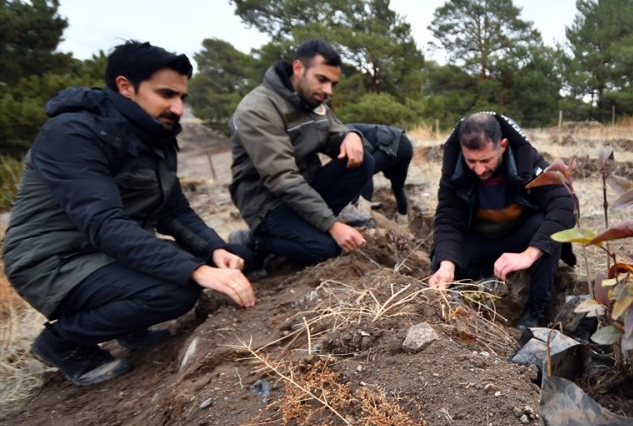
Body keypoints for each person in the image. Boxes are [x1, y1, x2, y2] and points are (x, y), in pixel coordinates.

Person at [3, 41, 256, 387]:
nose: (178, 108)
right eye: (167, 94)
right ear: (125, 87)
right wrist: (194, 270)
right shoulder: (72, 133)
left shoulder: (155, 136)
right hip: (54, 260)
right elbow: (103, 224)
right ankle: (63, 341)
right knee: (175, 291)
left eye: (182, 97)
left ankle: (129, 325)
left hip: (106, 252)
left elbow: (174, 209)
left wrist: (214, 250)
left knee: (224, 257)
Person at [228, 39, 377, 266]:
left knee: (363, 161)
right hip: (267, 202)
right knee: (325, 249)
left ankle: (308, 225)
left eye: (333, 84)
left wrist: (352, 135)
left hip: (304, 186)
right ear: (298, 69)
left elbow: (337, 133)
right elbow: (282, 178)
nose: (328, 91)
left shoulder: (311, 99)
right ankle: (256, 239)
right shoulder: (258, 109)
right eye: (322, 79)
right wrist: (332, 225)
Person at [428, 112, 576, 328]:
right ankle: (452, 316)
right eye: (471, 161)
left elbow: (564, 205)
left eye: (486, 160)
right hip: (479, 241)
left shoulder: (528, 162)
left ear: (503, 146)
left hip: (519, 239)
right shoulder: (454, 172)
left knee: (545, 230)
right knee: (441, 260)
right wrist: (447, 264)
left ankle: (535, 315)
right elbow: (448, 219)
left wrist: (529, 254)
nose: (479, 169)